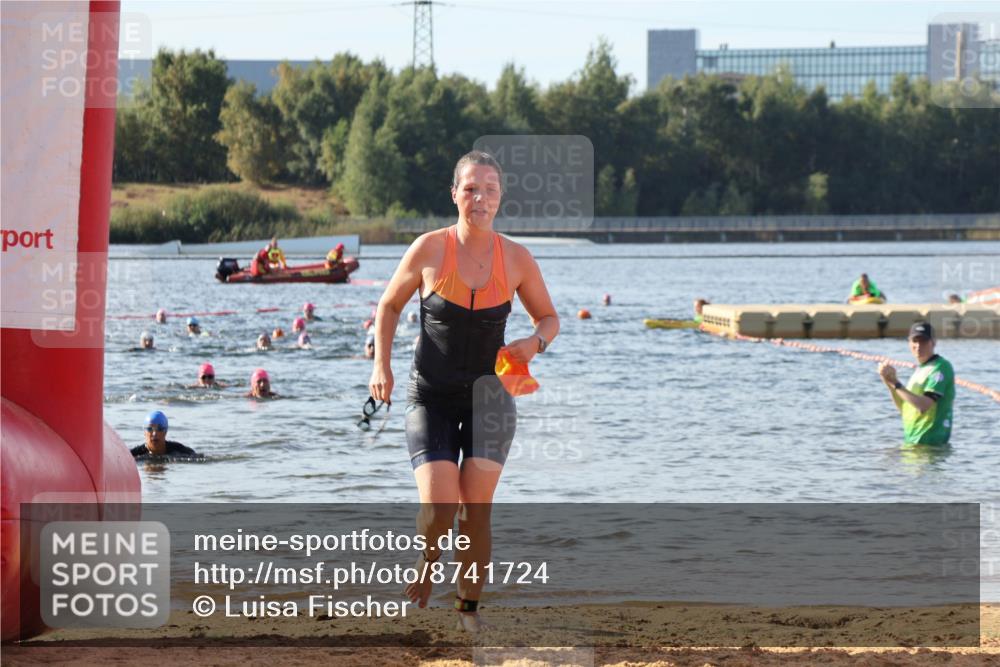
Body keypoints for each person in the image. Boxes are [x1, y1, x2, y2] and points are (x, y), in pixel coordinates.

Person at [369, 150, 559, 632]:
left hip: (491, 399)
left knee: (475, 512)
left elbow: (550, 318)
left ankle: (468, 615)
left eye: (490, 189)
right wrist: (381, 367)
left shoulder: (516, 258)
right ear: (454, 194)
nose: (480, 198)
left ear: (501, 198)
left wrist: (534, 342)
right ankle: (429, 555)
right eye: (471, 188)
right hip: (430, 395)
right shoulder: (429, 249)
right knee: (439, 509)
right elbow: (389, 306)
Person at [877, 322, 955, 447]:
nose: (918, 346)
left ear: (933, 342)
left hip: (931, 444)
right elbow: (904, 407)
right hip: (912, 442)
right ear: (909, 343)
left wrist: (896, 383)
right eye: (915, 341)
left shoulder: (940, 367)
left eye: (923, 341)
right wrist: (889, 381)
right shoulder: (920, 370)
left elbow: (923, 405)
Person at [131, 411, 201, 459]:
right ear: (144, 432)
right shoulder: (134, 454)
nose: (154, 433)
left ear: (165, 432)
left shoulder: (179, 450)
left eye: (159, 429)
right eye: (150, 429)